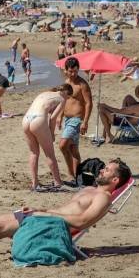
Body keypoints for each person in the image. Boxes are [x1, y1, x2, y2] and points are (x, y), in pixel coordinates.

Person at [0, 159, 132, 264]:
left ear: (115, 180)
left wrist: (46, 213)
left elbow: (82, 221)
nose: (101, 169)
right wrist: (42, 210)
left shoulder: (103, 198)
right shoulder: (90, 189)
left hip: (53, 225)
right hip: (44, 216)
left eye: (107, 170)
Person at [22, 84, 73, 192]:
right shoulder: (61, 99)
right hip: (38, 120)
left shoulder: (45, 93)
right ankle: (58, 182)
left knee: (33, 153)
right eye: (68, 97)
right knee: (50, 154)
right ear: (66, 93)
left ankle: (35, 183)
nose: (67, 99)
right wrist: (52, 133)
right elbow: (53, 118)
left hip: (26, 119)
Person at [58, 57, 92, 187]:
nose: (73, 74)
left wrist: (85, 122)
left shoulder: (82, 84)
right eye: (71, 71)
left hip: (77, 120)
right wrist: (60, 117)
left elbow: (89, 103)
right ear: (65, 70)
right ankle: (77, 177)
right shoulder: (66, 83)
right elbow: (63, 101)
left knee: (62, 145)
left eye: (76, 71)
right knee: (73, 149)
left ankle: (71, 174)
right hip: (67, 120)